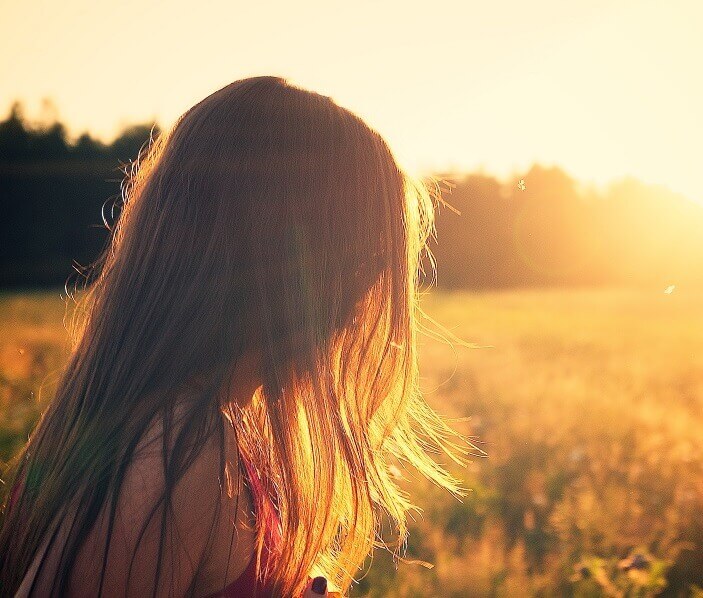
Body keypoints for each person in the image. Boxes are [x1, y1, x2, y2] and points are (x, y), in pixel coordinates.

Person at [0, 76, 470, 597]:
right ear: (298, 272)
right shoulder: (176, 451)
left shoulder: (166, 428)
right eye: (364, 268)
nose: (362, 308)